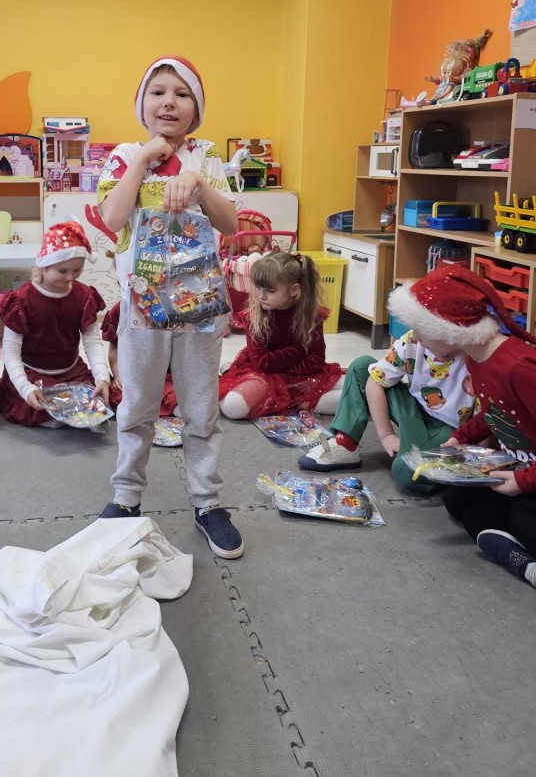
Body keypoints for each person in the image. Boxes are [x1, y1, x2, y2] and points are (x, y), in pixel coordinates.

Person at [95, 55, 244, 559]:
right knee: (137, 404)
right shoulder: (123, 155)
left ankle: (208, 503)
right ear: (142, 104)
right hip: (142, 309)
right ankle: (126, 497)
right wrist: (143, 159)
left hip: (201, 308)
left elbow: (230, 224)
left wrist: (198, 184)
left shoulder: (207, 156)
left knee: (201, 408)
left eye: (182, 94)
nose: (169, 102)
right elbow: (112, 217)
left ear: (196, 109)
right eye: (158, 92)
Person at [387, 264, 536, 588]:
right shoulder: (475, 359)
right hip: (519, 466)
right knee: (459, 503)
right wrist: (461, 437)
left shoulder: (519, 367)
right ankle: (525, 562)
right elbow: (497, 412)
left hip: (530, 473)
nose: (417, 339)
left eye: (422, 330)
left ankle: (522, 555)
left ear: (448, 328)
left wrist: (523, 481)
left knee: (523, 518)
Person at [297, 327, 477, 493]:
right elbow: (375, 380)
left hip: (450, 430)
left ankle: (432, 461)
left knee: (407, 471)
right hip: (415, 407)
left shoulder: (478, 356)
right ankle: (346, 443)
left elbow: (484, 423)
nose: (416, 335)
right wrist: (386, 435)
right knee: (362, 367)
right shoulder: (414, 339)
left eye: (424, 330)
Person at [0, 221, 110, 427]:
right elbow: (10, 351)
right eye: (62, 270)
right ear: (44, 265)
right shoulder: (21, 300)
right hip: (32, 372)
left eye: (77, 270)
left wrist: (102, 377)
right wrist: (25, 388)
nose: (70, 277)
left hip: (71, 370)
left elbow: (92, 341)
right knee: (41, 407)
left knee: (104, 398)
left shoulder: (84, 295)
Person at [219, 251, 343, 421]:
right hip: (262, 376)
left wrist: (282, 369)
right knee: (233, 407)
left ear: (294, 290)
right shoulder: (253, 316)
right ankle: (294, 401)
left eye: (270, 291)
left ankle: (290, 400)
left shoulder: (311, 316)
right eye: (258, 288)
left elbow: (316, 361)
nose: (261, 296)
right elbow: (263, 363)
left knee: (355, 389)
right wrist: (300, 349)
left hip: (301, 377)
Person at [101, 301, 179, 418]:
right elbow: (114, 348)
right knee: (120, 393)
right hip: (133, 375)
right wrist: (117, 376)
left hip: (164, 376)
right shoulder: (120, 310)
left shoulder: (168, 308)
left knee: (176, 394)